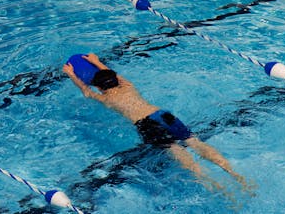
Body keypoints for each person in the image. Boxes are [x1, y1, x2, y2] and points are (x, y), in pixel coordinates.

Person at [62, 53, 251, 195]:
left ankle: (218, 187)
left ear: (100, 88)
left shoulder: (106, 99)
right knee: (195, 142)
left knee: (180, 154)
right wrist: (96, 61)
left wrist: (71, 74)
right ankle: (236, 176)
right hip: (163, 115)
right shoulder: (128, 86)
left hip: (148, 125)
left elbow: (86, 91)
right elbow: (114, 75)